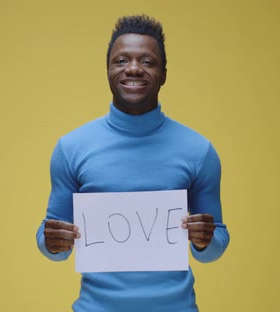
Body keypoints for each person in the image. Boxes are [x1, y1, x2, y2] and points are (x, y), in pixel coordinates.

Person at [36, 14, 230, 312]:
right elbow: (53, 248)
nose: (134, 69)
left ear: (164, 73)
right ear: (108, 70)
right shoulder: (72, 148)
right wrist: (50, 241)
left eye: (148, 62)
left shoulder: (198, 150)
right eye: (122, 60)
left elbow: (214, 244)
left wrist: (205, 240)